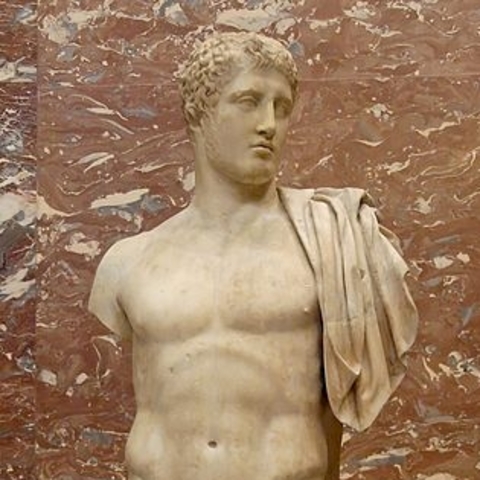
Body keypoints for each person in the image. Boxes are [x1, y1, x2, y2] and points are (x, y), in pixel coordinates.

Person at [88, 32, 417, 480]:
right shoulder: (129, 261)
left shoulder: (334, 241)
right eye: (248, 101)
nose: (269, 123)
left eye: (282, 107)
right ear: (198, 113)